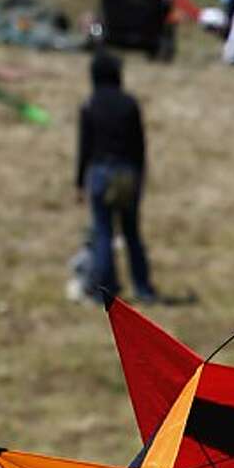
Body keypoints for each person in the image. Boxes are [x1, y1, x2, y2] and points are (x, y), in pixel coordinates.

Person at [75, 51, 156, 304]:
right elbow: (139, 145)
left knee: (103, 233)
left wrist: (79, 182)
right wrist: (140, 177)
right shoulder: (129, 104)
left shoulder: (90, 105)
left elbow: (84, 148)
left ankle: (105, 291)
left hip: (101, 172)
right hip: (127, 172)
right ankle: (143, 288)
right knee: (132, 233)